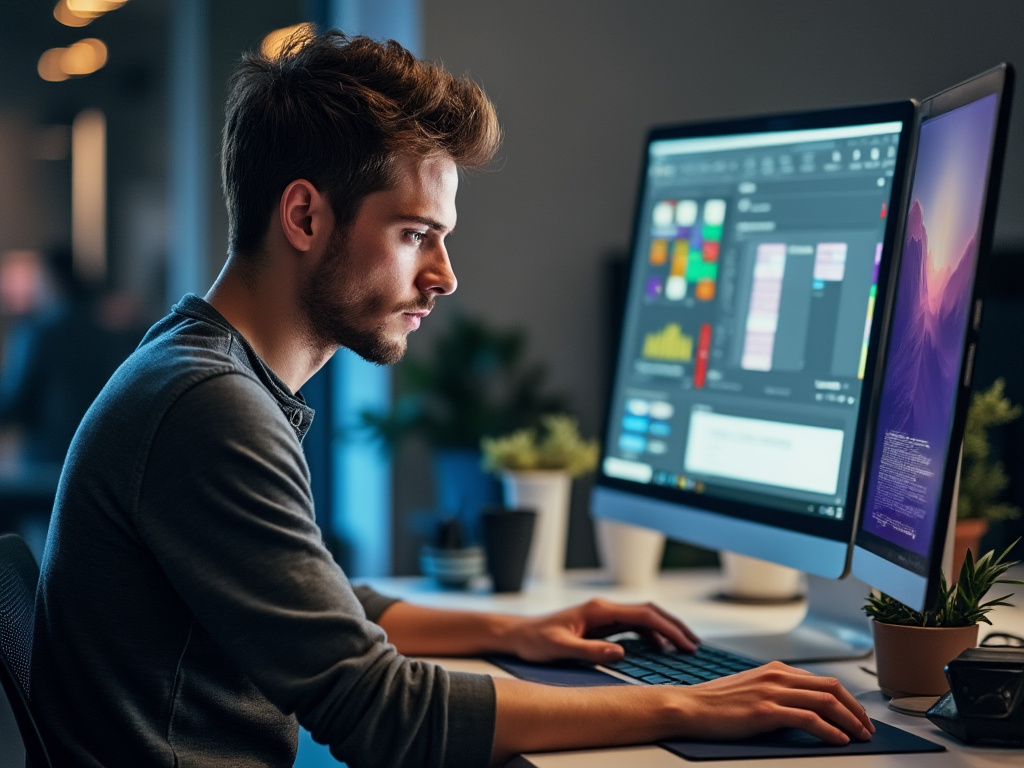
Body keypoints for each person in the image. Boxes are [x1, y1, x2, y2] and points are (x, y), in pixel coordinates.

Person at [31, 29, 874, 768]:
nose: (443, 276)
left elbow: (316, 605)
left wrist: (512, 631)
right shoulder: (210, 405)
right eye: (415, 235)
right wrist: (688, 705)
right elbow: (381, 717)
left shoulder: (197, 365)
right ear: (303, 215)